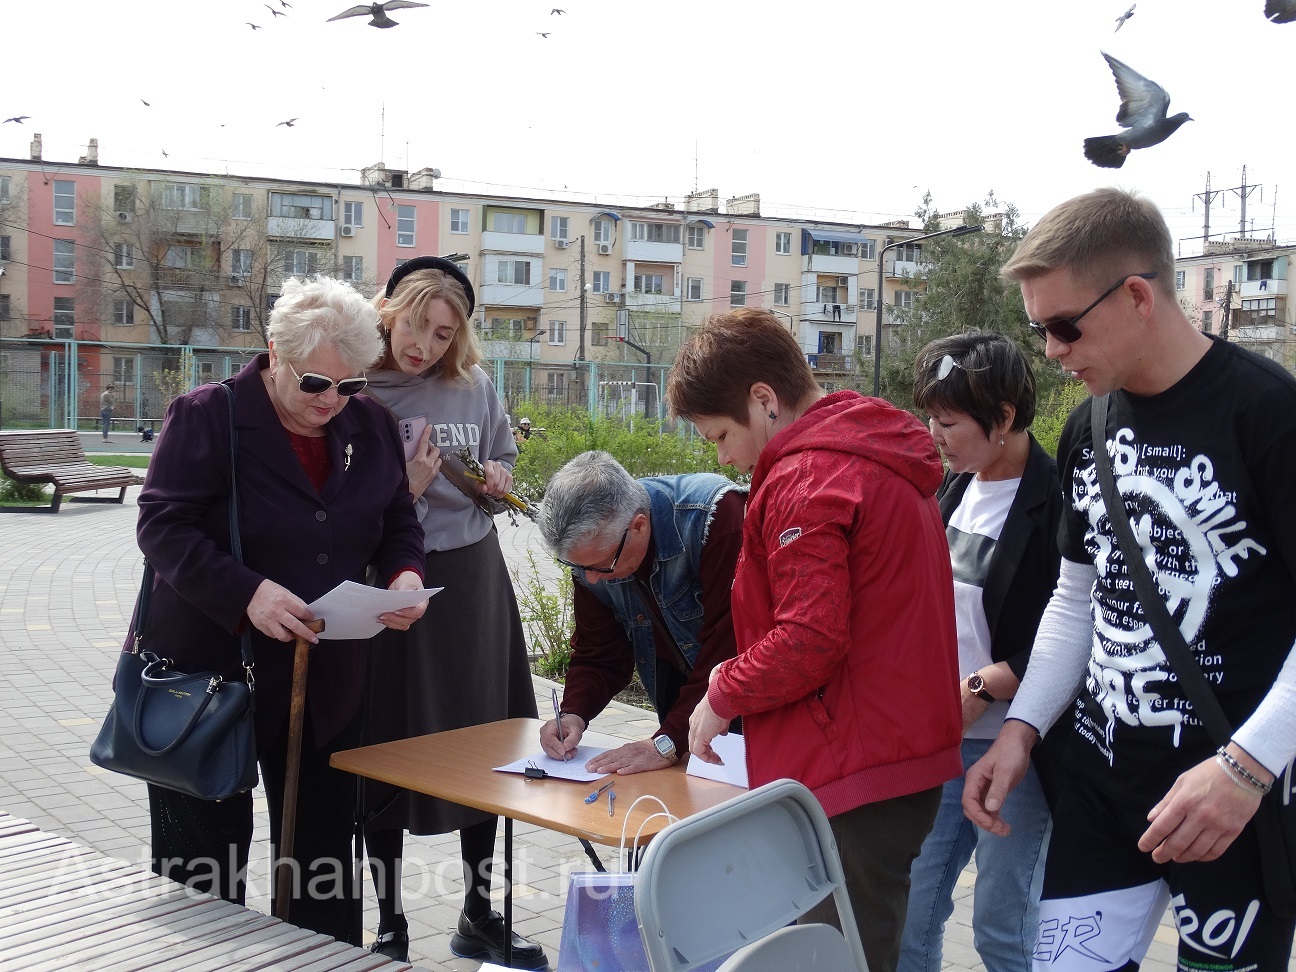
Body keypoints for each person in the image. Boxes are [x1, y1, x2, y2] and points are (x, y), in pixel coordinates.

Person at [963, 188, 1296, 971]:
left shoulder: (1269, 415)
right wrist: (1021, 730)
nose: (1049, 350)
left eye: (1062, 326)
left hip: (1228, 799)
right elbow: (1078, 600)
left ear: (1138, 295)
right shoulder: (1090, 424)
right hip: (1101, 787)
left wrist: (1246, 770)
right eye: (1037, 328)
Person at [667, 307, 964, 972]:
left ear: (763, 402)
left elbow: (807, 636)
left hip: (852, 771)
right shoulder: (867, 452)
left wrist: (723, 690)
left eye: (719, 435)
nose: (724, 458)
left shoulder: (809, 477)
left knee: (833, 957)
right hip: (891, 753)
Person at [134, 275, 427, 943]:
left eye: (349, 385)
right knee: (200, 882)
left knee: (322, 869)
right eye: (314, 384)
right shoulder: (207, 415)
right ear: (274, 352)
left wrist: (407, 574)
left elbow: (397, 521)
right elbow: (161, 526)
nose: (332, 401)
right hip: (209, 684)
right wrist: (249, 593)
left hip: (321, 687)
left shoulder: (372, 423)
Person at [361, 256, 544, 968]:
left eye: (444, 334)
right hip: (393, 579)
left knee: (486, 740)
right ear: (390, 309)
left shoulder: (473, 385)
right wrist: (399, 492)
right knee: (388, 742)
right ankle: (389, 919)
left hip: (472, 578)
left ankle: (477, 910)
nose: (426, 346)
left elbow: (502, 463)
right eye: (417, 325)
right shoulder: (356, 385)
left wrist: (500, 477)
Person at [899, 332, 1064, 972]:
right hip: (942, 740)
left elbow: (1079, 629)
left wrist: (988, 685)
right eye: (930, 419)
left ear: (1003, 418)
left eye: (949, 422)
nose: (934, 435)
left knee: (1004, 926)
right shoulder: (953, 489)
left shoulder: (1059, 502)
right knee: (910, 912)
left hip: (1017, 749)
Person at [536, 451, 744, 773]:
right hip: (685, 703)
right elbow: (599, 652)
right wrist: (574, 713)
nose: (590, 578)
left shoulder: (713, 519)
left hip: (752, 704)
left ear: (638, 525)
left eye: (601, 565)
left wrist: (665, 743)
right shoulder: (595, 554)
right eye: (578, 566)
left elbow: (731, 647)